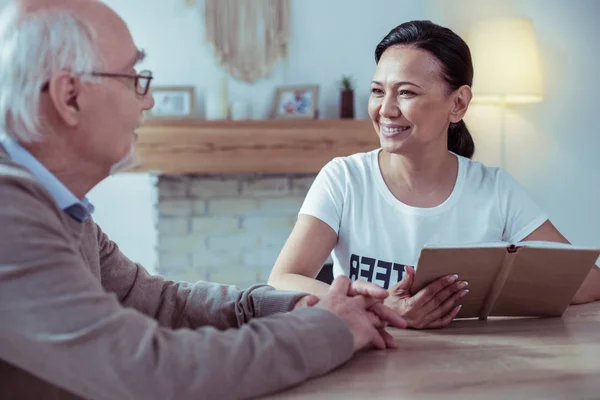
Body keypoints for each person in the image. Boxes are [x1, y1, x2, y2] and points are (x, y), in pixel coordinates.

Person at [0, 1, 407, 399]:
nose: (148, 100)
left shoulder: (61, 210)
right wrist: (330, 328)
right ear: (69, 97)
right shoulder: (9, 216)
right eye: (132, 78)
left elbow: (163, 302)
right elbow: (153, 371)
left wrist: (300, 303)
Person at [268, 20, 600, 329]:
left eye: (406, 92)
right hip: (367, 359)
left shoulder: (495, 189)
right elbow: (283, 278)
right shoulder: (344, 178)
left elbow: (588, 283)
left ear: (457, 104)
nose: (385, 109)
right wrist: (383, 309)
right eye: (378, 90)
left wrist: (501, 290)